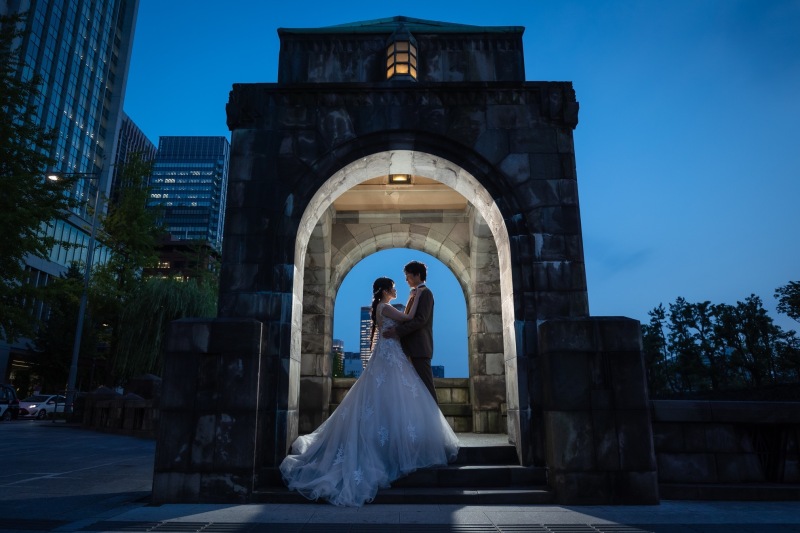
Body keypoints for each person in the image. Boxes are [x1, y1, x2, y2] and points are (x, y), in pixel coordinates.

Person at [279, 276, 459, 507]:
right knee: (394, 398)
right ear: (384, 290)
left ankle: (387, 440)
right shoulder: (386, 307)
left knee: (385, 400)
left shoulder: (380, 307)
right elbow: (410, 318)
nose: (396, 289)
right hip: (390, 359)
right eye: (393, 287)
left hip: (387, 358)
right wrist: (416, 297)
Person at [383, 260, 436, 401]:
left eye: (408, 276)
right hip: (409, 349)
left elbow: (421, 320)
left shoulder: (426, 293)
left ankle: (436, 422)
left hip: (419, 349)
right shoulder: (414, 293)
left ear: (418, 275)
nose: (406, 279)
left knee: (427, 389)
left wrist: (397, 331)